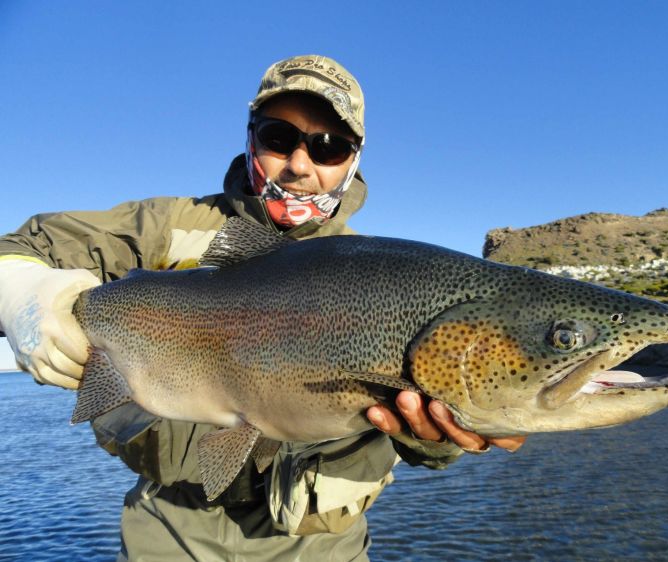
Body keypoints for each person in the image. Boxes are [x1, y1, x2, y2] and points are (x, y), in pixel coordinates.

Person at [0, 55, 525, 561]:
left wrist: (442, 439)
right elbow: (19, 248)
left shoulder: (381, 274)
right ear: (250, 135)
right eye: (280, 138)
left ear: (353, 160)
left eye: (328, 148)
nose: (299, 165)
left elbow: (427, 438)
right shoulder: (167, 227)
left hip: (319, 545)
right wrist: (28, 298)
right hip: (169, 529)